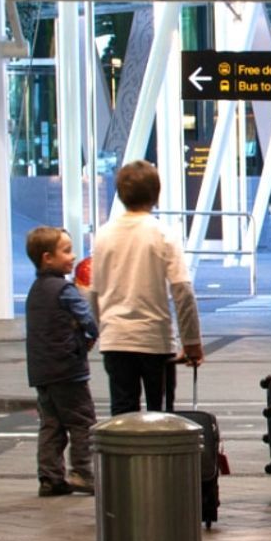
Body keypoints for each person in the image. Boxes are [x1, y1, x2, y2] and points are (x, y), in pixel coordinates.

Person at [90, 161, 203, 416]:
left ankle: (123, 457)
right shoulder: (163, 234)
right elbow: (182, 291)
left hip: (115, 340)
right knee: (160, 414)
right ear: (156, 193)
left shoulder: (103, 235)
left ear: (119, 194)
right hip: (155, 341)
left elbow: (94, 294)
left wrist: (101, 330)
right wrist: (192, 342)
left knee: (122, 413)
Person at [22, 225, 97, 497]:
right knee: (82, 421)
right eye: (66, 251)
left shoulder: (35, 290)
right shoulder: (64, 289)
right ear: (47, 258)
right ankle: (82, 471)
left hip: (42, 371)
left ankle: (50, 477)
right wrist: (94, 333)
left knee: (51, 424)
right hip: (68, 369)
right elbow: (87, 317)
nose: (73, 255)